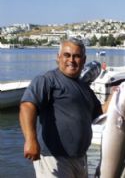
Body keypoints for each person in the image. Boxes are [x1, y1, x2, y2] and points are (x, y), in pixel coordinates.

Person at [19, 37, 103, 178]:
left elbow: (99, 113)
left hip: (80, 158)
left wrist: (118, 97)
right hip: (53, 158)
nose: (71, 60)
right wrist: (30, 139)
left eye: (76, 56)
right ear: (58, 58)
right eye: (67, 55)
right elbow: (27, 105)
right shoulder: (47, 80)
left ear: (84, 60)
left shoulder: (85, 88)